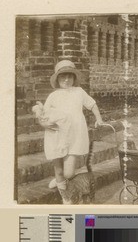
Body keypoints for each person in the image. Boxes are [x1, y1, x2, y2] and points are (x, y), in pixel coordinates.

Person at [33, 60, 103, 203]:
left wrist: (99, 118)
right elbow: (44, 115)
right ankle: (65, 196)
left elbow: (92, 104)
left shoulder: (79, 92)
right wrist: (44, 122)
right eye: (62, 76)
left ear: (74, 78)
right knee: (59, 170)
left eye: (70, 76)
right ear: (57, 79)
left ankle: (64, 177)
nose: (66, 79)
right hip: (56, 135)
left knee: (69, 172)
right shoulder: (53, 95)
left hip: (75, 135)